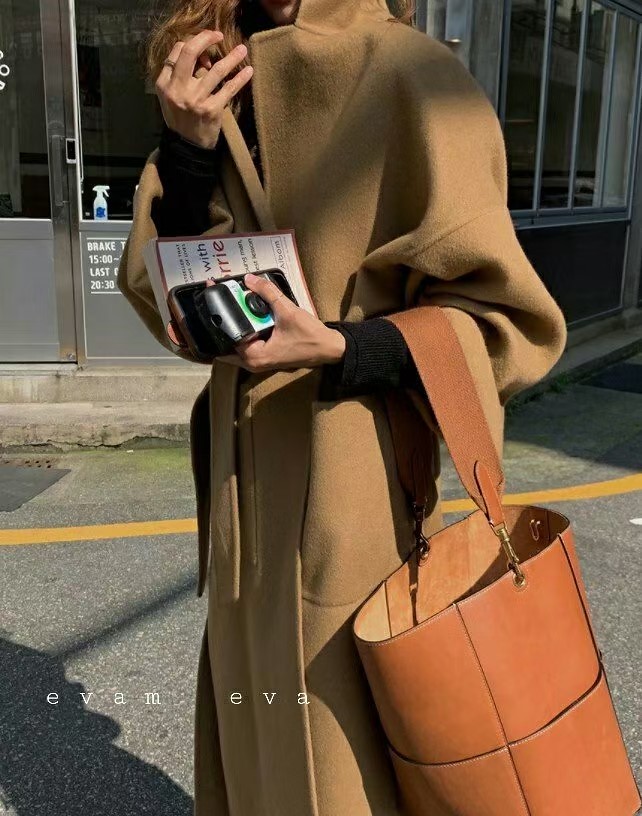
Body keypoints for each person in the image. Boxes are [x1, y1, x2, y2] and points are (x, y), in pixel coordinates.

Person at [116, 0, 568, 814]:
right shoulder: (214, 74)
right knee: (258, 752)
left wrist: (342, 347)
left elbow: (508, 324)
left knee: (347, 761)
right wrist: (185, 152)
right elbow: (168, 300)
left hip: (353, 484)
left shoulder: (414, 75)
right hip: (243, 490)